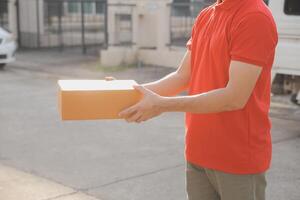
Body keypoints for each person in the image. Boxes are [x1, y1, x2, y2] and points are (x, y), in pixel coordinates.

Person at [109, 0, 278, 199]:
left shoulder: (254, 17)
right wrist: (128, 91)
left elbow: (234, 97)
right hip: (198, 153)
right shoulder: (207, 15)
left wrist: (162, 105)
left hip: (237, 159)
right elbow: (183, 76)